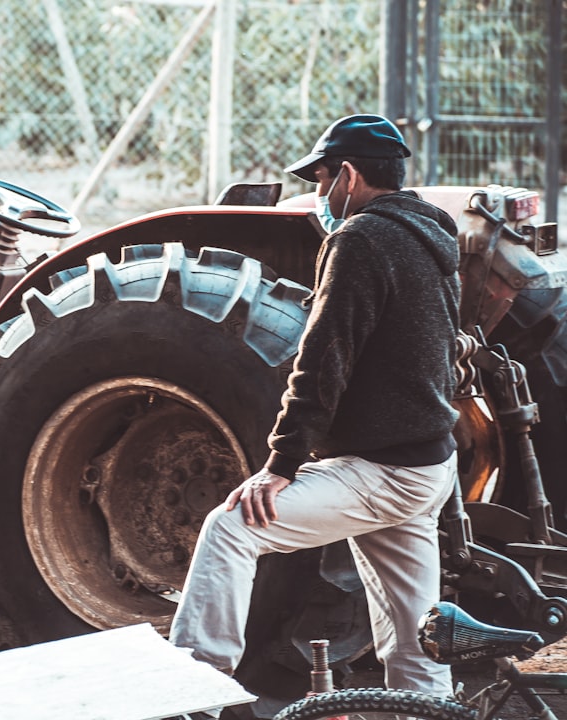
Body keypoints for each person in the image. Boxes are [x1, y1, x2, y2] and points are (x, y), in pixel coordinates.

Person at [170, 114, 461, 697]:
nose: (321, 192)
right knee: (416, 640)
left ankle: (189, 692)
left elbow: (322, 360)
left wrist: (279, 468)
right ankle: (430, 709)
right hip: (425, 466)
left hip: (383, 469)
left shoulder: (359, 239)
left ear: (348, 175)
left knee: (231, 528)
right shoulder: (433, 236)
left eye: (323, 176)